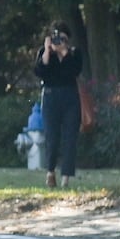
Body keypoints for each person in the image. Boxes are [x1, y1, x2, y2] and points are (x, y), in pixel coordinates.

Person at [33, 20, 83, 188]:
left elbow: (74, 71)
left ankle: (66, 178)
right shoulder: (44, 52)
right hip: (50, 97)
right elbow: (40, 71)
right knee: (52, 137)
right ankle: (50, 172)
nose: (59, 42)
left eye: (62, 39)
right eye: (56, 38)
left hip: (70, 97)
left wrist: (64, 52)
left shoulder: (75, 54)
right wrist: (48, 51)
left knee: (70, 137)